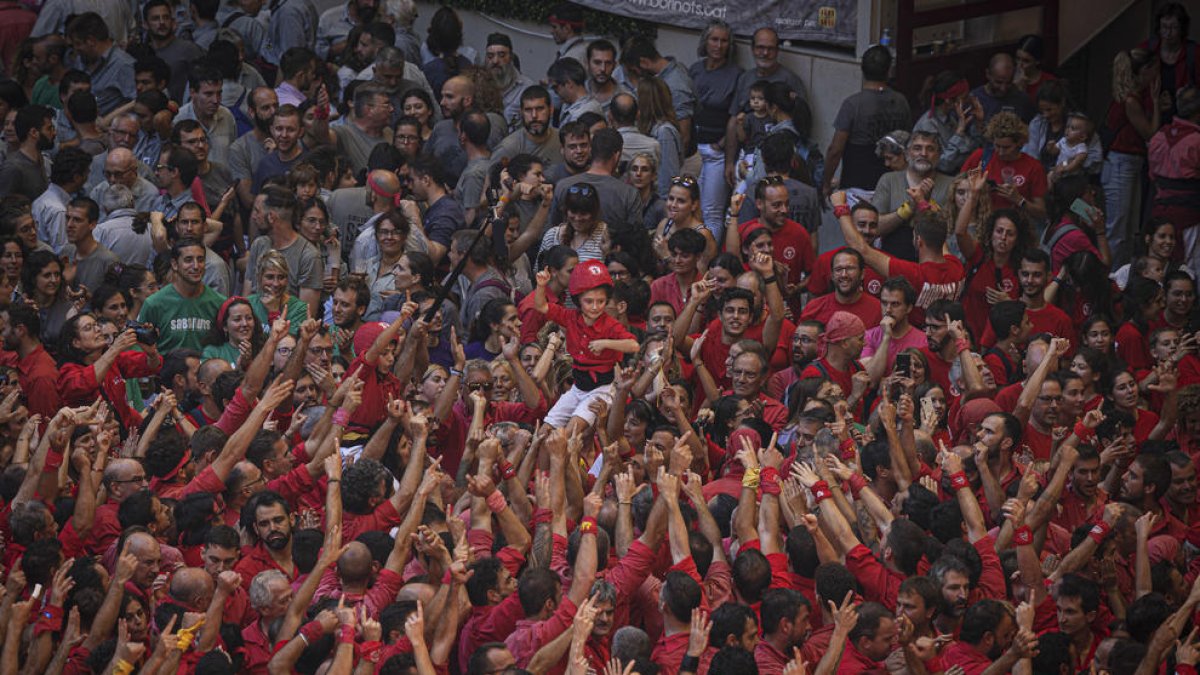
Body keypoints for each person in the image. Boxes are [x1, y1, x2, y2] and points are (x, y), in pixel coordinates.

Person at [822, 45, 911, 196]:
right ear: (889, 70)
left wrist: (826, 183)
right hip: (892, 186)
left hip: (857, 185)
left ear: (862, 70)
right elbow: (908, 142)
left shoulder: (853, 104)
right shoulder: (901, 101)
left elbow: (835, 150)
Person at [138, 238, 227, 352]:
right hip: (167, 368)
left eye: (200, 260)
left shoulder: (219, 303)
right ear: (175, 264)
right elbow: (141, 350)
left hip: (205, 368)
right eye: (188, 260)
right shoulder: (154, 304)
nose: (196, 266)